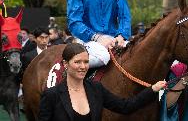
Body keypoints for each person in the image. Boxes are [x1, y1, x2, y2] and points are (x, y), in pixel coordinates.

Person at [38, 43, 166, 121]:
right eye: (77, 62)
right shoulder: (51, 95)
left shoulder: (96, 89)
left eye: (86, 62)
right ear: (66, 64)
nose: (83, 66)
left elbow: (126, 106)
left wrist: (152, 89)